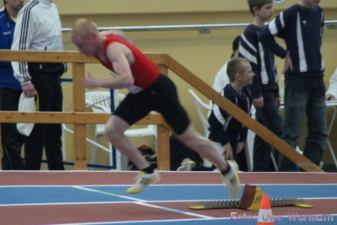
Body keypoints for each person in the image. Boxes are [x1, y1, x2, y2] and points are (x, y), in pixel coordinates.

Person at [71, 18, 240, 198]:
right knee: (112, 131)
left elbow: (126, 79)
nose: (79, 50)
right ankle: (148, 171)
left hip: (160, 90)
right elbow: (117, 32)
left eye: (81, 45)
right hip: (141, 94)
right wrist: (131, 47)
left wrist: (98, 82)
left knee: (189, 138)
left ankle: (227, 169)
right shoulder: (101, 38)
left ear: (92, 37)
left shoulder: (112, 49)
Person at [259, 0, 328, 171]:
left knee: (320, 131)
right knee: (291, 134)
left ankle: (310, 172)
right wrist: (284, 55)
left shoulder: (319, 13)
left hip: (317, 78)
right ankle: (286, 175)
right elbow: (265, 34)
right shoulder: (290, 13)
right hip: (297, 80)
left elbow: (314, 38)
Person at [11, 0, 67, 170]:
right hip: (38, 76)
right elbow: (19, 46)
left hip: (55, 74)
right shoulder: (30, 10)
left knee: (54, 129)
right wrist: (25, 80)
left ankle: (57, 171)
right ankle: (32, 172)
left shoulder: (53, 7)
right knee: (37, 131)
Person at [178, 57, 254, 172]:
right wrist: (225, 142)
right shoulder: (225, 97)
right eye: (249, 72)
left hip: (233, 139)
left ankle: (193, 167)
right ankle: (193, 168)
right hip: (219, 138)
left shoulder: (247, 95)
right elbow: (214, 122)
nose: (253, 74)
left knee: (226, 172)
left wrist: (242, 139)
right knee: (227, 172)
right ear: (239, 76)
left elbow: (245, 120)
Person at [239, 0, 283, 171]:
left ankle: (259, 170)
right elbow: (251, 64)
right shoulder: (250, 33)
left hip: (269, 89)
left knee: (263, 133)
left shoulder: (268, 32)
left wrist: (277, 91)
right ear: (256, 10)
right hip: (262, 90)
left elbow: (272, 65)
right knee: (278, 129)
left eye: (272, 7)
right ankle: (287, 169)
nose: (272, 11)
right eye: (267, 8)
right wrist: (256, 92)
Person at [0, 0, 25, 170]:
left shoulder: (28, 19)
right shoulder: (0, 20)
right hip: (5, 84)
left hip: (27, 84)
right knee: (9, 133)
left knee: (25, 130)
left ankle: (10, 167)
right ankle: (17, 170)